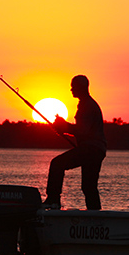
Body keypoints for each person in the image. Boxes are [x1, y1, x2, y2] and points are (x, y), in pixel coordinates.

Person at [43, 75, 107, 210]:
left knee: (57, 164)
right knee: (89, 186)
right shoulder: (88, 104)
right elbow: (81, 130)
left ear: (81, 88)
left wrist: (64, 126)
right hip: (97, 150)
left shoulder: (87, 105)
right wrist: (63, 128)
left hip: (91, 149)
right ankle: (96, 214)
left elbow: (82, 131)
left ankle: (53, 200)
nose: (71, 89)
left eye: (73, 86)